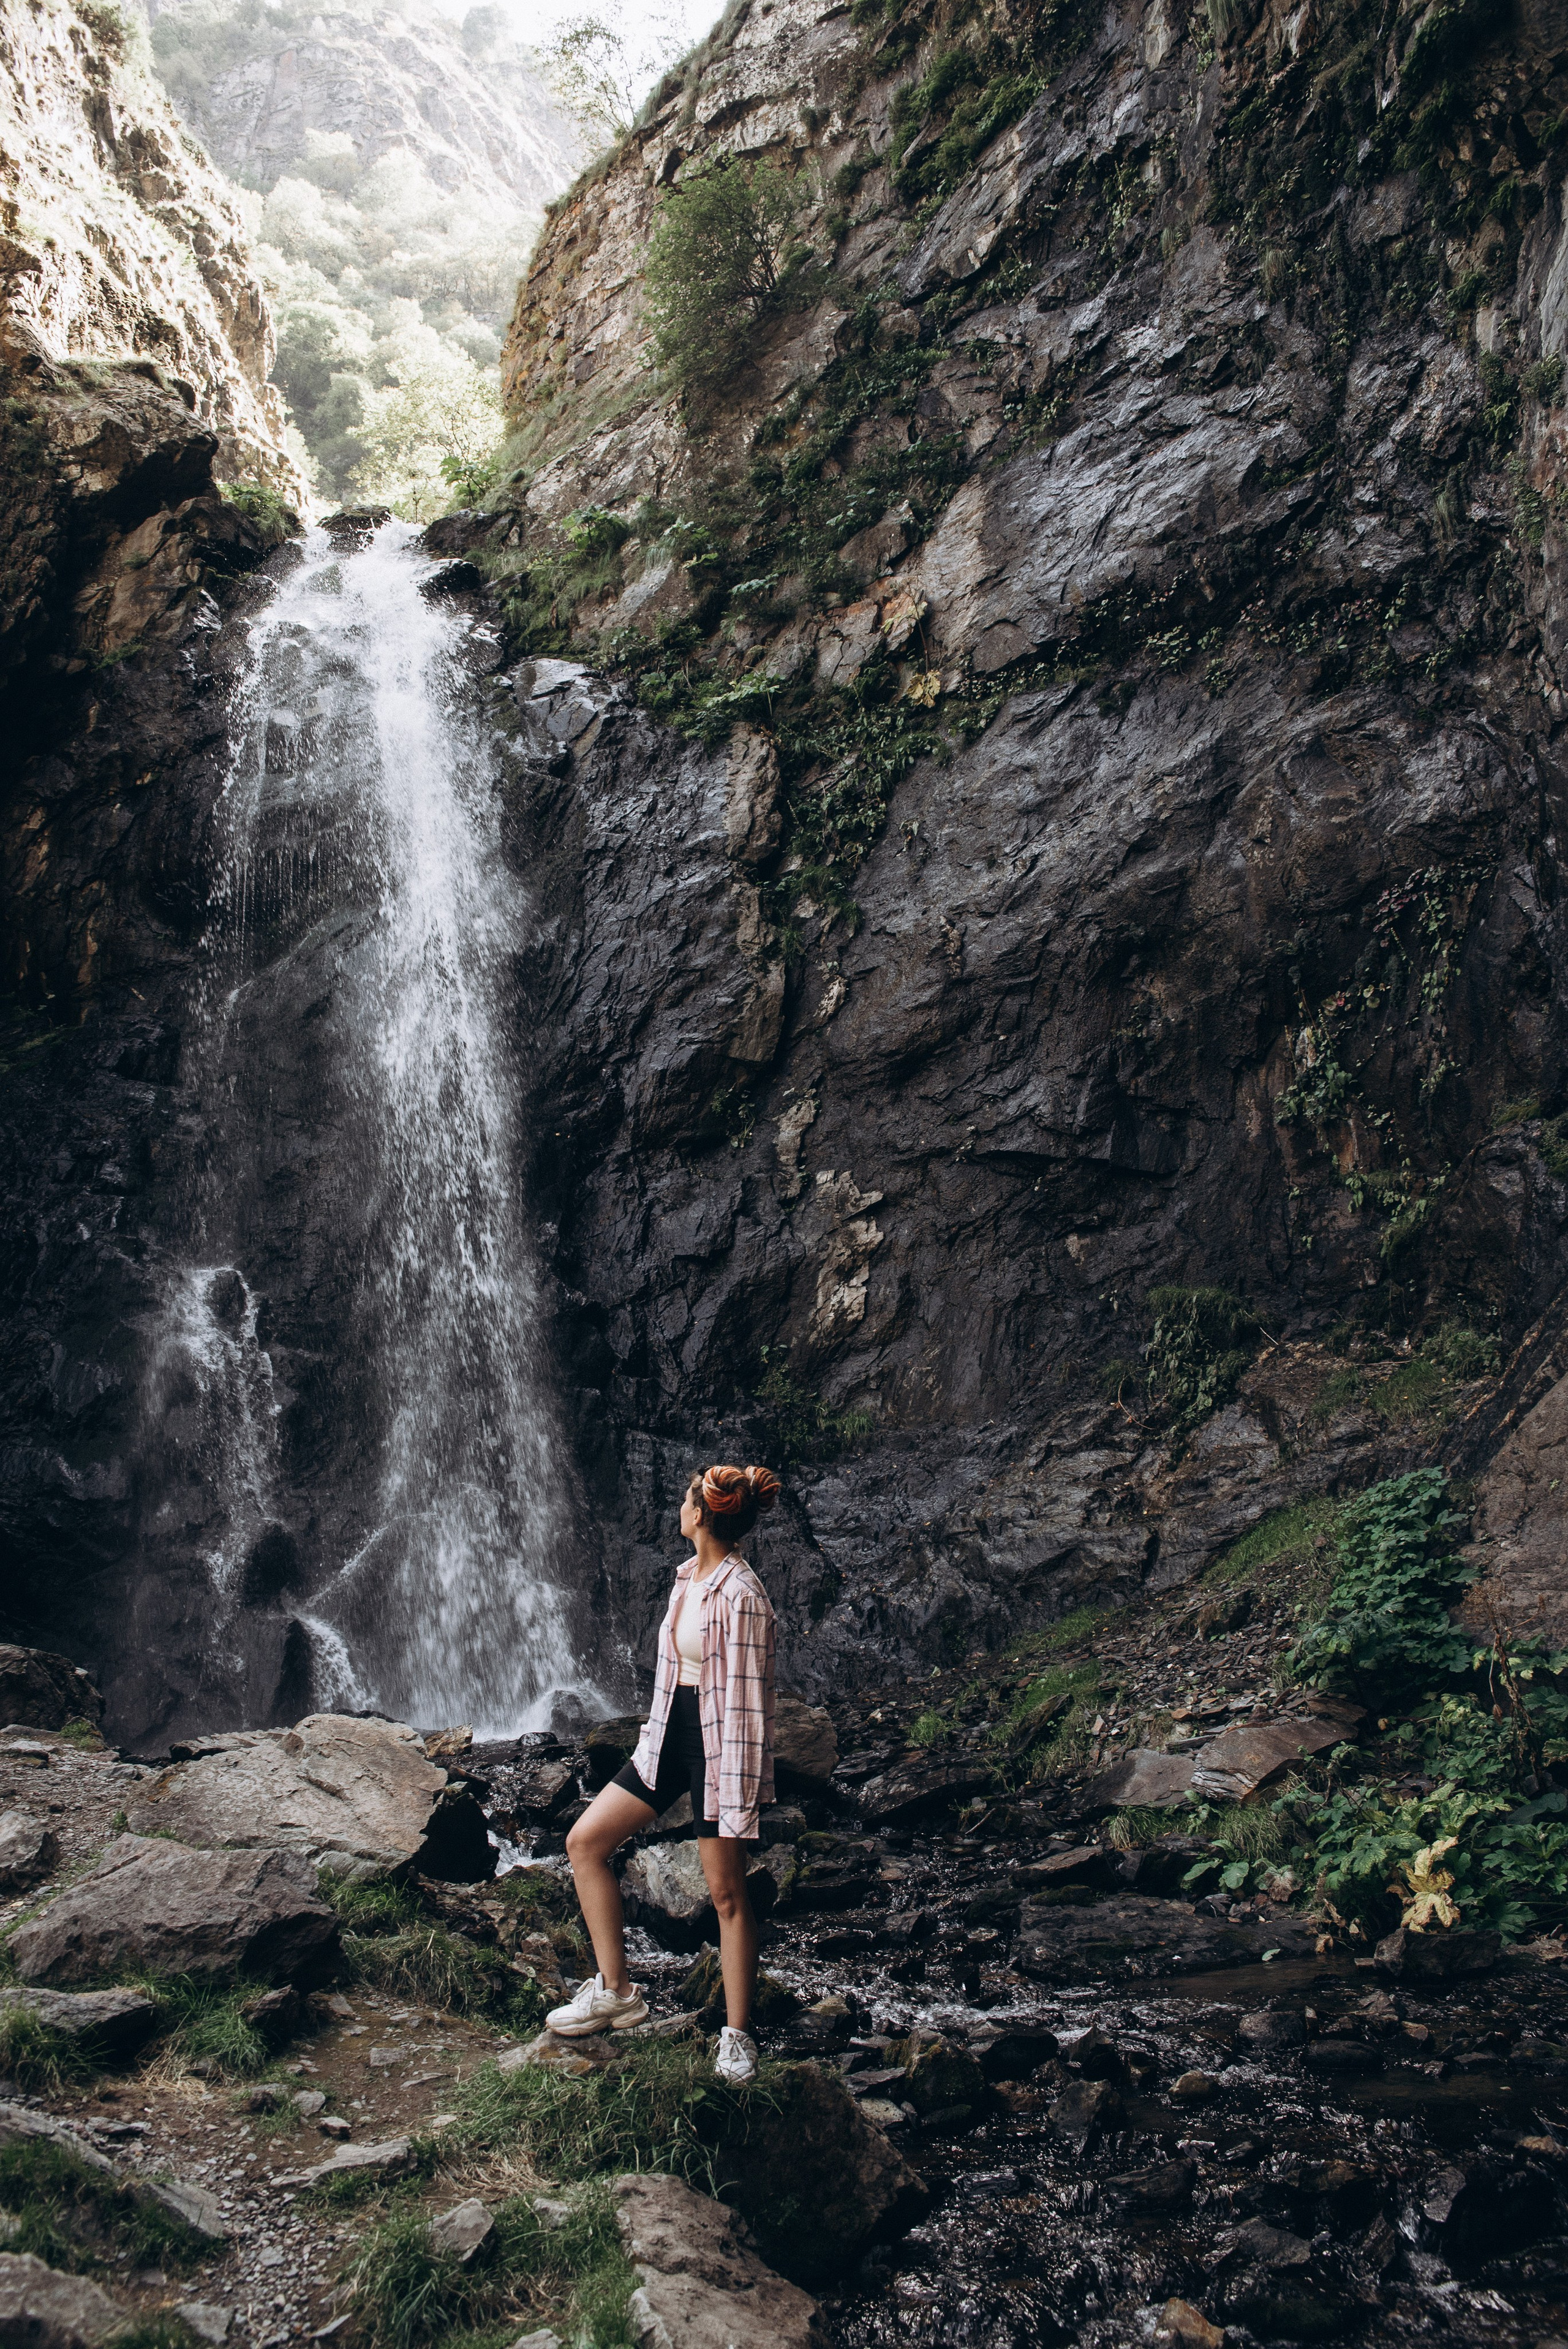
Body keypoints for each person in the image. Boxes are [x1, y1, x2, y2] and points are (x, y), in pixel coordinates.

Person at [546, 1461, 782, 2084]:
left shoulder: (744, 1594)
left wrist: (738, 1791)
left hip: (717, 1748)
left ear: (701, 1514)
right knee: (585, 1842)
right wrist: (649, 1742)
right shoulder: (687, 1577)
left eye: (685, 1499)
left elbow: (749, 1704)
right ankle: (617, 1991)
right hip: (666, 1739)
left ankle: (737, 2037)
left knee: (727, 1894)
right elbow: (675, 1677)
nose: (679, 1506)